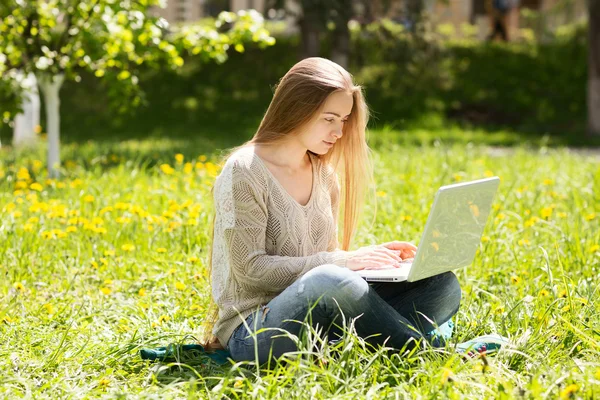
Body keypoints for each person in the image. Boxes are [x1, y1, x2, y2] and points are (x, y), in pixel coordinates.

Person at [199, 57, 500, 366]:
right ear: (296, 109)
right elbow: (251, 272)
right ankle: (429, 356)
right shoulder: (244, 171)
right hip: (254, 331)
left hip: (319, 324)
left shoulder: (325, 175)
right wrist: (342, 262)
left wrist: (374, 261)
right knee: (332, 278)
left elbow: (322, 259)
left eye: (342, 120)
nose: (339, 132)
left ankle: (371, 340)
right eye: (329, 118)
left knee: (441, 284)